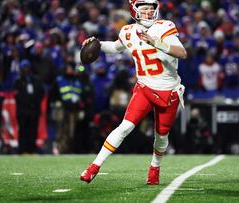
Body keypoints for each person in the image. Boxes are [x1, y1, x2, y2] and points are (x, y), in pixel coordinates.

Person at [80, 0, 187, 185]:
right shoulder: (128, 31)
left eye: (151, 9)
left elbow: (182, 53)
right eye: (144, 9)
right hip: (145, 87)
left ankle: (155, 168)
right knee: (125, 126)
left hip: (168, 91)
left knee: (161, 136)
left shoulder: (164, 27)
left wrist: (156, 42)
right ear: (134, 11)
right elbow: (114, 47)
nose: (148, 12)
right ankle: (94, 167)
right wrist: (97, 43)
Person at [13, 60, 44, 154]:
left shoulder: (36, 80)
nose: (26, 69)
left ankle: (32, 148)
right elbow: (17, 96)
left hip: (34, 110)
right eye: (24, 67)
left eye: (27, 67)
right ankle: (22, 148)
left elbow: (41, 93)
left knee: (33, 130)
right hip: (23, 110)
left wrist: (34, 102)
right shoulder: (18, 81)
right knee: (23, 130)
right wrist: (29, 102)